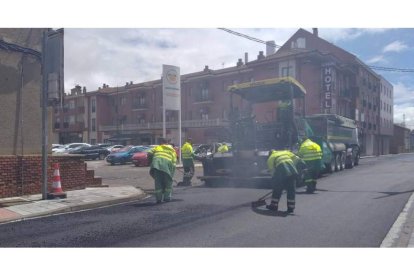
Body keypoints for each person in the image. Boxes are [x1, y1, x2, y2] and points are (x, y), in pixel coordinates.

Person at [148, 138, 177, 203]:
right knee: (168, 182)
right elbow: (174, 164)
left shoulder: (157, 147)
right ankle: (167, 198)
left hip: (156, 165)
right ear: (167, 143)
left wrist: (151, 162)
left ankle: (158, 199)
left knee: (158, 182)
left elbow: (149, 153)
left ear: (161, 143)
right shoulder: (172, 150)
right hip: (166, 167)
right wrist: (171, 174)